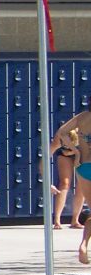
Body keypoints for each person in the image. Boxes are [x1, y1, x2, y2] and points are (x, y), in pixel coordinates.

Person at [52, 102, 91, 263]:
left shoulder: (82, 117)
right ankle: (84, 244)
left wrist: (74, 149)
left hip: (82, 165)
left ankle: (84, 245)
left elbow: (61, 132)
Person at [49, 126, 86, 230]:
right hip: (64, 155)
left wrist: (74, 152)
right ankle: (57, 220)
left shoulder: (85, 133)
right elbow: (48, 155)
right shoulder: (60, 136)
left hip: (83, 152)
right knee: (64, 183)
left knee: (82, 185)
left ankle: (75, 220)